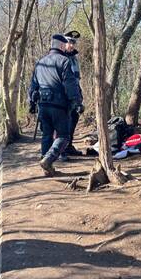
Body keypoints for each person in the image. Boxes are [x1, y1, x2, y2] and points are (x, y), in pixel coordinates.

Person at [29, 34, 83, 176]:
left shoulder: (40, 62)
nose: (67, 46)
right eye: (65, 44)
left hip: (43, 105)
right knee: (64, 136)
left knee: (47, 135)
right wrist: (77, 102)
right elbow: (70, 84)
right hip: (59, 106)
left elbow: (33, 86)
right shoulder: (64, 61)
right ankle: (48, 159)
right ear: (60, 45)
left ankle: (46, 167)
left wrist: (32, 103)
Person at [62, 30, 83, 158]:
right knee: (64, 122)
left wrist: (79, 96)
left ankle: (68, 145)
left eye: (73, 42)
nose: (71, 45)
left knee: (74, 119)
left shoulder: (74, 59)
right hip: (64, 95)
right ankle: (61, 149)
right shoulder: (60, 57)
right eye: (69, 42)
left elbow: (77, 79)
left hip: (75, 94)